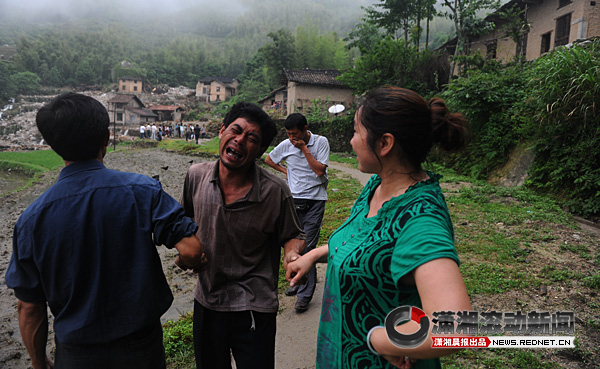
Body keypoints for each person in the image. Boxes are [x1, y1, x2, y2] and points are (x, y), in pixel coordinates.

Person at [5, 93, 206, 369]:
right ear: (106, 138)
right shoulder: (142, 190)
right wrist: (185, 262)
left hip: (77, 354)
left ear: (54, 146)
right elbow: (192, 249)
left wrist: (39, 362)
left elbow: (28, 307)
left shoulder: (32, 219)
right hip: (141, 348)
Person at [286, 86, 472, 369]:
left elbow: (456, 328)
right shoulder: (377, 186)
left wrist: (378, 339)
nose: (351, 142)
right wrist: (313, 256)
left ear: (384, 143)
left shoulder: (419, 218)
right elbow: (363, 243)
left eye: (356, 132)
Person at [180, 102, 306, 369]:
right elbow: (185, 222)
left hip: (253, 304)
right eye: (235, 131)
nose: (240, 140)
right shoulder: (196, 176)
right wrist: (186, 251)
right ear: (222, 131)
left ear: (260, 150)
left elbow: (293, 234)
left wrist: (292, 253)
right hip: (208, 298)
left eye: (251, 139)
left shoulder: (276, 192)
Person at [265, 112, 329, 312]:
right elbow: (268, 159)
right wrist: (286, 171)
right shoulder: (286, 145)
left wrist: (303, 149)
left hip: (315, 200)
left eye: (295, 134)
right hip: (293, 200)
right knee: (292, 245)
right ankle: (298, 281)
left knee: (308, 246)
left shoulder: (320, 142)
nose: (292, 138)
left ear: (305, 129)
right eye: (289, 134)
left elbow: (320, 171)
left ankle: (304, 295)